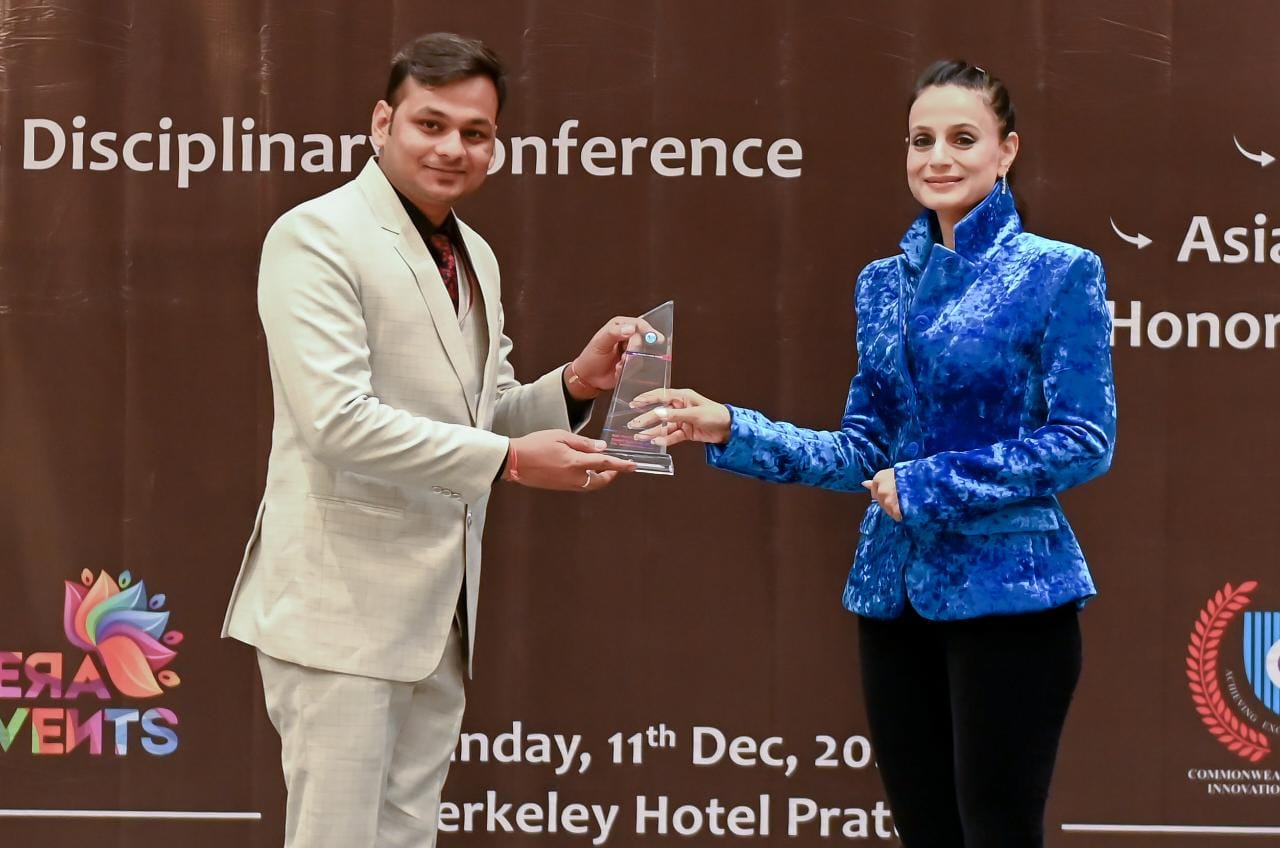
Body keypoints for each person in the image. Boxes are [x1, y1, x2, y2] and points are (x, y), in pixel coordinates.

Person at [632, 59, 1115, 847]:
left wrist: (929, 483)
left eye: (963, 138)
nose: (938, 158)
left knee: (997, 831)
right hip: (892, 600)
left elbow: (1083, 441)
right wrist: (728, 427)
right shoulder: (881, 285)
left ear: (1007, 150)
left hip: (1013, 597)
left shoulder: (1059, 272)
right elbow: (863, 449)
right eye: (922, 140)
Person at [222, 32, 644, 848]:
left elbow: (483, 416)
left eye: (475, 133)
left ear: (496, 145)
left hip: (438, 618)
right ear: (382, 123)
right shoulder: (315, 235)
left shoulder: (473, 253)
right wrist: (511, 462)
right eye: (431, 123)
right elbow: (337, 421)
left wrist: (576, 385)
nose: (453, 148)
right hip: (340, 614)